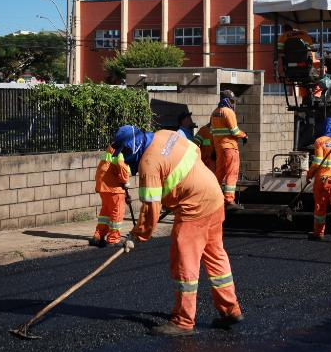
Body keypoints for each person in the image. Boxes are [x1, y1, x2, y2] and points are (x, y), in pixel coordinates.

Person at [113, 125, 243, 337]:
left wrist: (136, 236)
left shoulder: (148, 163)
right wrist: (176, 193)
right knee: (215, 256)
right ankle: (230, 310)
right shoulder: (166, 135)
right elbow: (194, 152)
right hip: (214, 198)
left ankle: (183, 321)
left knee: (184, 265)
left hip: (194, 210)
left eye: (126, 153)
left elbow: (150, 209)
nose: (126, 159)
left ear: (132, 146)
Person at [211, 90, 247, 210]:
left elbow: (212, 132)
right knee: (232, 173)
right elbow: (235, 131)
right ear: (227, 100)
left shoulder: (214, 113)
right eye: (232, 100)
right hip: (230, 148)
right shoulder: (228, 112)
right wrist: (244, 135)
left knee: (219, 174)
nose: (233, 103)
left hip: (219, 148)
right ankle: (229, 200)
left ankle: (214, 197)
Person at [90, 145, 130, 248]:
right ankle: (113, 239)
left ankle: (98, 236)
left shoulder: (111, 149)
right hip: (112, 186)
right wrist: (125, 180)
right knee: (117, 211)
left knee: (106, 212)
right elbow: (122, 166)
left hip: (103, 185)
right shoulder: (120, 151)